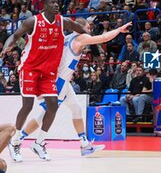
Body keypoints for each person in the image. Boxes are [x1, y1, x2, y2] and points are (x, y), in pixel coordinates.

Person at [15, 19, 132, 161]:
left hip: (62, 80)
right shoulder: (80, 37)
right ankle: (22, 141)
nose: (90, 29)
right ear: (79, 28)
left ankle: (84, 144)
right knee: (44, 114)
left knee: (76, 109)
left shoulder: (67, 37)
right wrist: (119, 30)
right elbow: (103, 38)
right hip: (60, 82)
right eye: (88, 27)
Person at [1, 0, 87, 162]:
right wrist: (6, 46)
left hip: (48, 71)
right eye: (52, 3)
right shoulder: (32, 21)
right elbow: (15, 36)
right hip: (30, 68)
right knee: (28, 106)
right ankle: (16, 141)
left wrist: (88, 39)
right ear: (44, 6)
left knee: (53, 105)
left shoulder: (63, 22)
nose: (56, 5)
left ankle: (39, 143)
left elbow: (80, 29)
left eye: (57, 2)